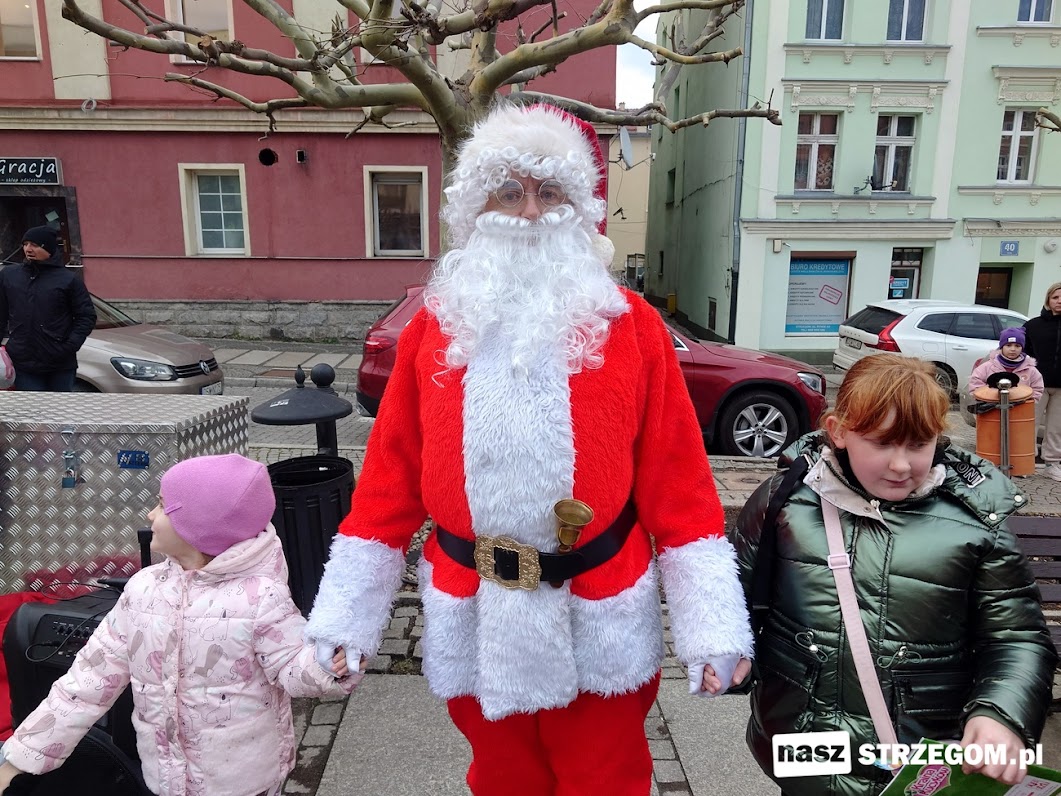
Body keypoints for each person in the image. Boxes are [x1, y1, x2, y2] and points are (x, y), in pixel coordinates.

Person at [306, 102, 753, 796]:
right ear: (475, 206)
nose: (532, 211)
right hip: (474, 611)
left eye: (550, 192)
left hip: (598, 609)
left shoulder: (632, 326)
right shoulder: (433, 329)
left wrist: (712, 627)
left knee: (607, 780)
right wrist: (347, 621)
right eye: (509, 192)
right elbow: (389, 481)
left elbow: (679, 484)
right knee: (501, 779)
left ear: (581, 211)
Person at [732, 354, 1057, 796]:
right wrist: (725, 652)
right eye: (882, 443)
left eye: (918, 444)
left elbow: (1016, 637)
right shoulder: (785, 501)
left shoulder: (977, 521)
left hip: (924, 754)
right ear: (839, 432)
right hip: (805, 742)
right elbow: (733, 600)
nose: (901, 464)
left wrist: (1000, 713)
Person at [0, 454, 359, 796]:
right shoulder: (143, 591)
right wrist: (21, 757)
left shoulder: (260, 599)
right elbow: (87, 682)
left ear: (197, 526)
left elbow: (292, 666)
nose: (150, 513)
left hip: (243, 781)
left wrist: (328, 664)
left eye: (162, 505)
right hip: (165, 776)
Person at [0, 225, 95, 392]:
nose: (28, 249)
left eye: (35, 245)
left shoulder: (68, 279)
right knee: (33, 407)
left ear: (49, 248)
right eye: (25, 244)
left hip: (60, 363)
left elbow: (86, 316)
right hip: (24, 362)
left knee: (59, 407)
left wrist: (69, 346)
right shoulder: (9, 275)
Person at [1023, 282, 1061, 481]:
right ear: (1048, 300)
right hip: (1037, 385)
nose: (1059, 301)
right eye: (1055, 297)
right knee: (1030, 425)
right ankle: (1025, 462)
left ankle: (1052, 464)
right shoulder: (1033, 326)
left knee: (1056, 428)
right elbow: (1021, 353)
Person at [967, 326, 1044, 400]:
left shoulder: (1030, 370)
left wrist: (1026, 400)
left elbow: (1037, 389)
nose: (1013, 349)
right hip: (991, 407)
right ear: (1002, 347)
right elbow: (975, 384)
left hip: (1020, 407)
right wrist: (989, 398)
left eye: (1017, 346)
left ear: (1022, 348)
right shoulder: (987, 366)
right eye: (1008, 345)